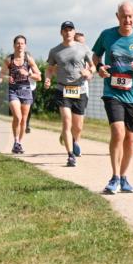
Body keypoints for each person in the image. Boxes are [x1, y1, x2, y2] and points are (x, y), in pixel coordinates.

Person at [91, 0, 133, 194]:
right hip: (113, 93)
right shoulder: (107, 35)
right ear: (117, 16)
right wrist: (99, 68)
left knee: (130, 139)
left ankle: (124, 176)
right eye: (123, 16)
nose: (127, 20)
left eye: (130, 16)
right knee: (118, 132)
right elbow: (95, 56)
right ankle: (114, 177)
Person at [45, 21, 93, 167]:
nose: (68, 32)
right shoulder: (55, 51)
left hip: (80, 89)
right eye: (65, 30)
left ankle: (73, 139)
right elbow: (49, 68)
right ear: (61, 32)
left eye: (70, 30)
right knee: (67, 120)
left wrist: (89, 72)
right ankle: (70, 155)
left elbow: (93, 66)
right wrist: (48, 78)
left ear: (74, 32)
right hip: (63, 89)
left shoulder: (83, 48)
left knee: (78, 127)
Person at [4, 35, 41, 154]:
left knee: (24, 119)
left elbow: (39, 76)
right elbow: (1, 74)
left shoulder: (28, 59)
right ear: (14, 45)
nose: (20, 45)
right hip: (13, 90)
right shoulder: (9, 59)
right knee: (17, 117)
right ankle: (15, 141)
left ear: (25, 45)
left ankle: (19, 143)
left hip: (26, 90)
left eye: (22, 43)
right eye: (18, 43)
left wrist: (28, 74)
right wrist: (7, 77)